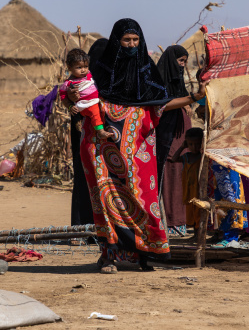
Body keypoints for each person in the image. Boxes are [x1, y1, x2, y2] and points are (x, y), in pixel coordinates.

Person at [70, 19, 207, 274]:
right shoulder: (97, 75)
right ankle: (109, 256)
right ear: (116, 43)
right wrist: (71, 97)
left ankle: (145, 253)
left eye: (135, 40)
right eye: (126, 41)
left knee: (142, 198)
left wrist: (194, 97)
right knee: (105, 199)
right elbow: (77, 99)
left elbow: (162, 104)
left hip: (138, 151)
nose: (132, 45)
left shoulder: (147, 75)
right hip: (101, 149)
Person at [70, 39, 108, 227]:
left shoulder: (105, 78)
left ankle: (98, 226)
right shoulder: (80, 82)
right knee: (84, 175)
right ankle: (81, 225)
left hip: (100, 136)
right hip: (84, 133)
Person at [157, 45, 192, 236]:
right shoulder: (159, 83)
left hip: (181, 138)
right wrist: (191, 99)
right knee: (170, 176)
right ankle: (171, 222)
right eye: (180, 61)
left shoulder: (178, 84)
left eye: (185, 61)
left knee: (181, 177)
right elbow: (162, 106)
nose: (183, 65)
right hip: (168, 138)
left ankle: (181, 221)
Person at [59, 48, 112, 140]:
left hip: (95, 100)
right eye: (79, 67)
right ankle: (101, 132)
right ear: (69, 68)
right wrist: (70, 106)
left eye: (86, 66)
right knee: (95, 114)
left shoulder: (89, 74)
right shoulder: (68, 83)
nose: (83, 70)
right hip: (86, 104)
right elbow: (63, 96)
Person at [171, 127, 204, 240]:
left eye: (197, 144)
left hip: (200, 191)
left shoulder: (203, 157)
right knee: (191, 213)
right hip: (189, 191)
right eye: (190, 144)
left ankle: (200, 235)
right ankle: (195, 234)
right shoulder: (186, 157)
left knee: (200, 213)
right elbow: (174, 159)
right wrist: (182, 147)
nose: (194, 147)